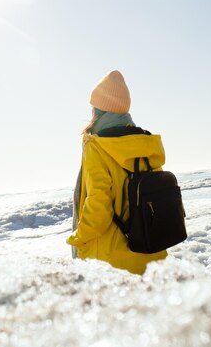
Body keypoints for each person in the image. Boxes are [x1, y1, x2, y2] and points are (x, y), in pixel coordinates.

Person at [67, 70, 167, 274]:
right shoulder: (146, 145)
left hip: (110, 264)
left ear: (99, 110)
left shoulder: (97, 146)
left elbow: (98, 203)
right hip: (152, 257)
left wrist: (78, 238)